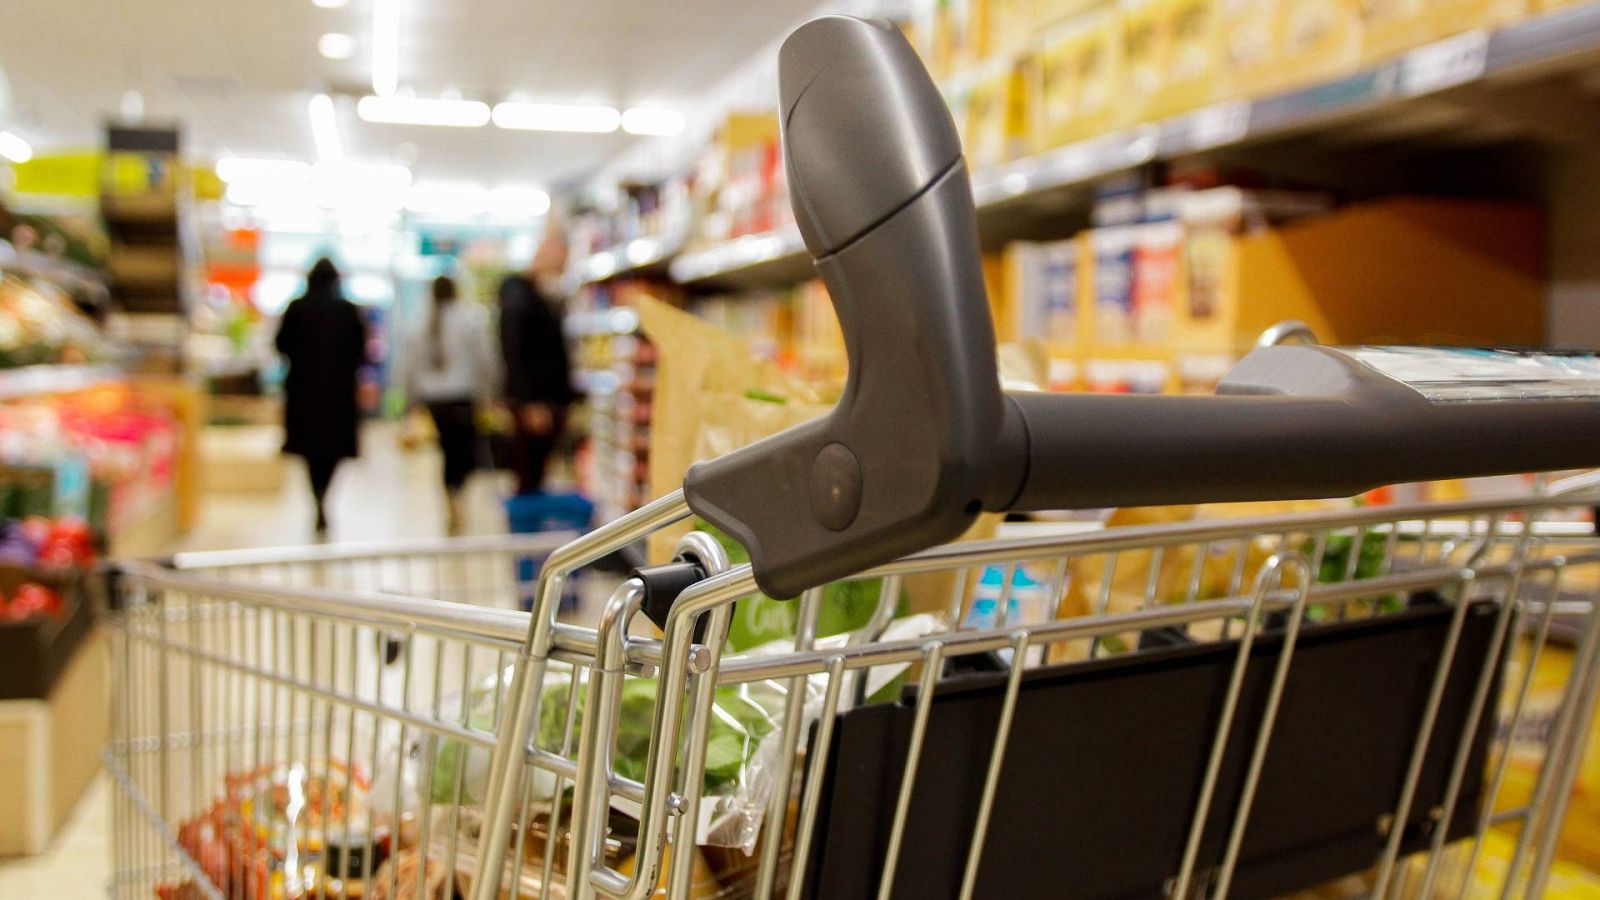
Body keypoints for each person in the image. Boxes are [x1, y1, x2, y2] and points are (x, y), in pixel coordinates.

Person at [274, 257, 368, 536]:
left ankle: (318, 498)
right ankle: (324, 496)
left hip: (304, 394)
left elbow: (281, 345)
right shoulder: (348, 310)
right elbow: (361, 351)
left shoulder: (297, 308)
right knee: (333, 452)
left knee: (310, 454)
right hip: (339, 395)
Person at [404, 274, 496, 532]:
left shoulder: (420, 321)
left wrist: (410, 400)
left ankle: (450, 495)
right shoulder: (469, 319)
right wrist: (490, 392)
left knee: (446, 450)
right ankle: (458, 493)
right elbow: (485, 359)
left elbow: (409, 365)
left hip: (433, 399)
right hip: (462, 396)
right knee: (464, 451)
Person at [498, 230, 575, 495]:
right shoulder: (519, 297)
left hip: (543, 401)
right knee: (529, 469)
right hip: (534, 403)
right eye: (562, 257)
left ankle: (532, 522)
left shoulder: (533, 294)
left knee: (535, 470)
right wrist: (530, 402)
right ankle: (528, 529)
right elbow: (515, 351)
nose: (564, 265)